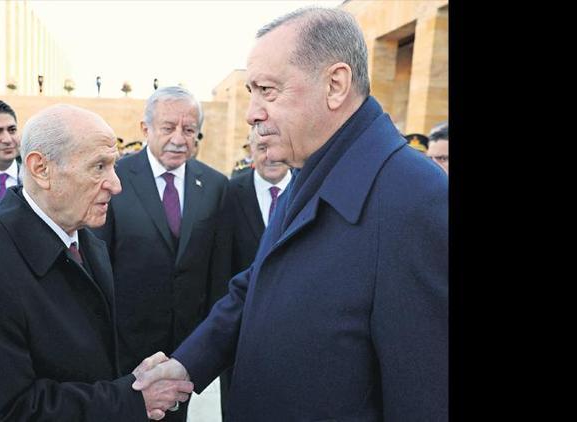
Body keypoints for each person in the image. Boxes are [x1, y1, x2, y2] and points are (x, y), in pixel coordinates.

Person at [133, 7, 448, 421]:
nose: (252, 113)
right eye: (251, 91)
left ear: (335, 85)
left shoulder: (415, 198)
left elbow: (424, 396)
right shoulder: (310, 168)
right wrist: (188, 365)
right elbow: (258, 283)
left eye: (268, 90)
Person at [0, 103, 194, 421]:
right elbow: (7, 410)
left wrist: (133, 382)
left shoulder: (88, 242)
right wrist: (129, 399)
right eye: (98, 167)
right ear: (41, 169)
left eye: (113, 166)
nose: (116, 185)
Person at [92, 86, 230, 421]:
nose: (179, 139)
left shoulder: (215, 185)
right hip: (125, 347)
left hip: (184, 350)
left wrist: (205, 345)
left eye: (189, 129)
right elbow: (98, 263)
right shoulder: (115, 179)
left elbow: (218, 272)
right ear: (146, 128)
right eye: (168, 128)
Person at [218, 127, 291, 419]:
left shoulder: (309, 190)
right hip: (240, 330)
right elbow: (221, 264)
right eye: (262, 149)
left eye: (276, 148)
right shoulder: (229, 193)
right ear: (250, 151)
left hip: (295, 329)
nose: (270, 157)